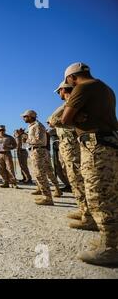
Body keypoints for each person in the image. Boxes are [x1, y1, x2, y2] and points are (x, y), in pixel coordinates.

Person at [61, 62, 118, 266]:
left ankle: (111, 248)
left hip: (96, 147)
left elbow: (66, 119)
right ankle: (109, 239)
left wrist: (74, 115)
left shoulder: (83, 87)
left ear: (71, 78)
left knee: (99, 195)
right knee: (108, 193)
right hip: (108, 143)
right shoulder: (106, 88)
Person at [49, 82, 96, 231]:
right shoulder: (68, 105)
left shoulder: (73, 104)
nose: (59, 94)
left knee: (78, 178)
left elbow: (55, 120)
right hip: (67, 146)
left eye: (59, 92)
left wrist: (54, 120)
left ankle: (89, 217)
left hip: (73, 147)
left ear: (64, 89)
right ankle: (84, 211)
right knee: (74, 179)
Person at [22, 110, 61, 206]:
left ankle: (47, 198)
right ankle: (55, 190)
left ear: (31, 117)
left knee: (40, 174)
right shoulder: (32, 126)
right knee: (48, 172)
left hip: (38, 151)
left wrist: (26, 139)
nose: (24, 118)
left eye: (25, 116)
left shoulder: (37, 126)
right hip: (38, 151)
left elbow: (38, 140)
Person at [48, 126, 71, 191]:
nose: (48, 124)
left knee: (64, 169)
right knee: (57, 169)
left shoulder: (57, 129)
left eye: (49, 122)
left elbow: (48, 133)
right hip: (55, 151)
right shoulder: (54, 130)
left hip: (62, 150)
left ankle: (70, 185)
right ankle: (67, 184)